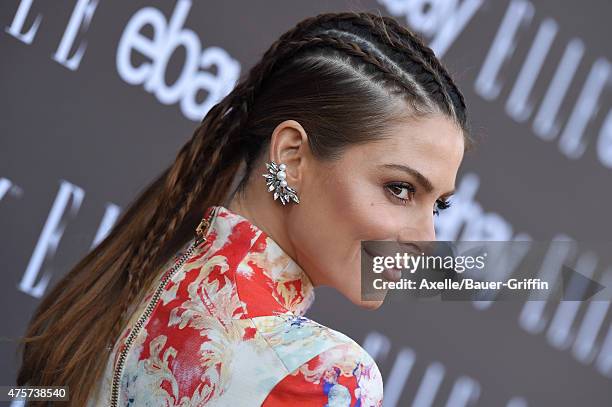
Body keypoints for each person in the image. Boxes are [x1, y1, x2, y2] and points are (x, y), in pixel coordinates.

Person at [17, 10, 472, 406]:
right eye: (400, 188)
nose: (426, 239)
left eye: (440, 206)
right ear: (292, 157)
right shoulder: (326, 375)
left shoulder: (128, 283)